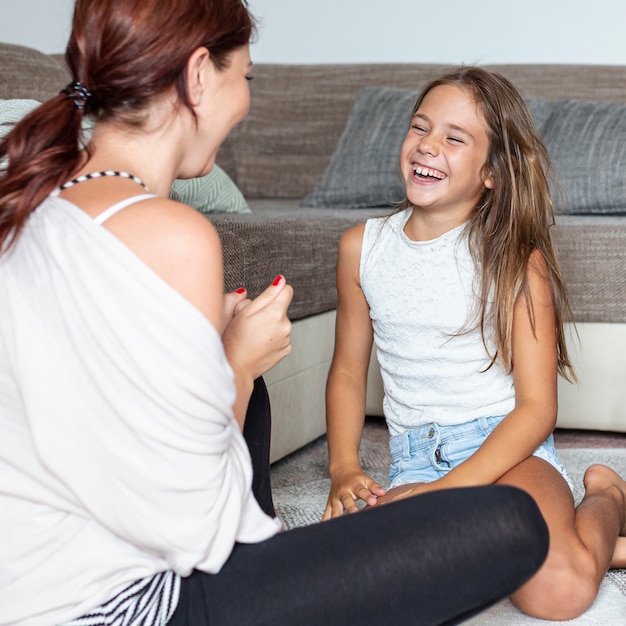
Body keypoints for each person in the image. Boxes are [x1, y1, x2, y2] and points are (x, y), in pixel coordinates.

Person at [0, 2, 551, 624]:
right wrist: (232, 362)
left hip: (29, 570)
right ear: (199, 75)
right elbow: (184, 520)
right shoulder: (173, 234)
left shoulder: (40, 193)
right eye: (247, 79)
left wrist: (229, 366)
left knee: (251, 388)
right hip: (118, 605)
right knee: (511, 525)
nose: (246, 102)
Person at [323, 65, 626, 621]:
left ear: (491, 172)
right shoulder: (360, 250)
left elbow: (536, 409)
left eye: (454, 138)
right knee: (373, 589)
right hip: (417, 460)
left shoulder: (515, 259)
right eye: (420, 127)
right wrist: (344, 466)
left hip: (508, 450)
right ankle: (597, 546)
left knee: (558, 593)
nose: (427, 145)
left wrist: (452, 490)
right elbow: (346, 370)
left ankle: (607, 497)